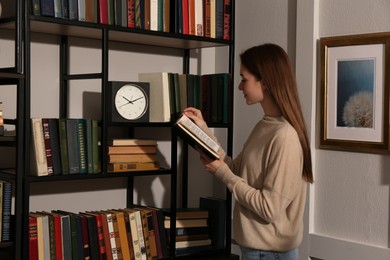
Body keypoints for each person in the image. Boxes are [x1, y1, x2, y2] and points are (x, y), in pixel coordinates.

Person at [183, 43, 313, 260]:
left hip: (269, 253)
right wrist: (204, 131)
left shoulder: (285, 136)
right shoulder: (265, 125)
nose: (239, 87)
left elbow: (269, 208)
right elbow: (238, 170)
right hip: (256, 249)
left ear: (265, 83)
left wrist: (222, 173)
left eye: (244, 79)